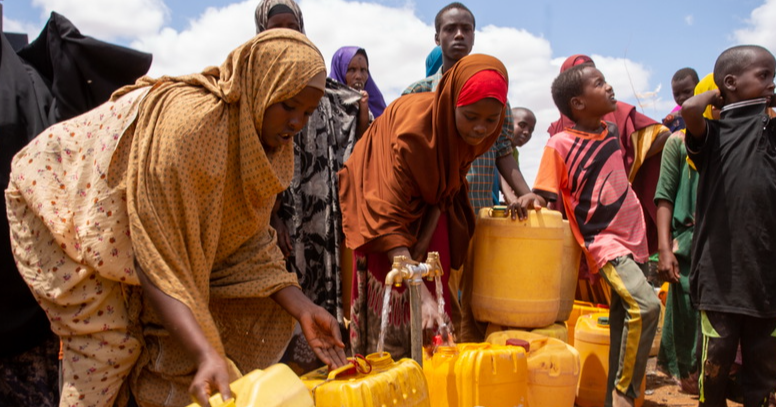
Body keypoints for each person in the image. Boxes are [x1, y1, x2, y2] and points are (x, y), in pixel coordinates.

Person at [6, 30, 347, 407]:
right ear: (260, 85)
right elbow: (155, 256)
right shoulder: (191, 126)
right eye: (288, 105)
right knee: (106, 349)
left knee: (186, 344)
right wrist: (206, 353)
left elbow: (249, 242)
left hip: (130, 239)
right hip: (60, 204)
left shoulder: (262, 144)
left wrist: (304, 308)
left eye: (308, 112)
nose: (297, 122)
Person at [340, 54, 510, 359]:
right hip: (380, 212)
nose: (480, 129)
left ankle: (429, 380)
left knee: (434, 286)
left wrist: (420, 260)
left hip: (428, 210)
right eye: (471, 117)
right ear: (451, 104)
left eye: (491, 120)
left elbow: (443, 194)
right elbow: (385, 209)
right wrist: (416, 286)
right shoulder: (414, 131)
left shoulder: (465, 137)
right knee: (392, 293)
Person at [402, 1, 542, 343]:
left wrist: (525, 191)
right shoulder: (419, 93)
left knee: (480, 304)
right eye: (450, 29)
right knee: (437, 300)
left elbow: (503, 151)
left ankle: (474, 381)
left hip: (479, 217)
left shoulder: (496, 97)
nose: (459, 35)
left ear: (475, 37)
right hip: (433, 220)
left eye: (466, 28)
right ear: (437, 36)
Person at [535, 63, 661, 407]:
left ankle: (611, 400)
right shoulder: (559, 144)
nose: (609, 88)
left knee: (623, 324)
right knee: (647, 307)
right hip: (604, 242)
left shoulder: (608, 132)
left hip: (634, 238)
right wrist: (529, 199)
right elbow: (544, 192)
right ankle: (625, 395)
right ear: (577, 103)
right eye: (599, 83)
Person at [255, 0, 368, 375]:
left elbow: (344, 106)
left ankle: (319, 372)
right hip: (277, 212)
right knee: (279, 284)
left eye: (293, 25)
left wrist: (359, 109)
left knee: (321, 281)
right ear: (261, 31)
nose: (286, 32)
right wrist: (275, 217)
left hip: (320, 208)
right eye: (276, 26)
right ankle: (280, 378)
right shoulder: (256, 85)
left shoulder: (317, 82)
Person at [682, 44, 776, 407]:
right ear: (732, 82)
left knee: (765, 368)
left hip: (765, 273)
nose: (771, 83)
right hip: (721, 274)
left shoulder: (771, 129)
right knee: (716, 361)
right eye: (764, 75)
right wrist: (718, 94)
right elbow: (690, 108)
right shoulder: (712, 135)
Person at [548, 54, 671, 256]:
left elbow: (662, 135)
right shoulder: (557, 132)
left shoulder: (616, 115)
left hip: (612, 217)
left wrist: (625, 165)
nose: (606, 87)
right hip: (573, 214)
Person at [654, 73, 713, 395]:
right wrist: (665, 248)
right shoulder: (677, 142)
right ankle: (689, 374)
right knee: (686, 312)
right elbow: (665, 195)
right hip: (687, 243)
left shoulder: (731, 140)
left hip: (722, 242)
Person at [330, 46, 387, 119]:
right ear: (339, 71)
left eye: (363, 70)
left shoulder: (376, 106)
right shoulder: (324, 104)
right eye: (352, 70)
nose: (359, 76)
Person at [498, 107, 536, 205]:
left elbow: (513, 180)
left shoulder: (514, 153)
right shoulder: (495, 145)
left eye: (531, 130)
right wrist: (509, 194)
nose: (527, 132)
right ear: (507, 123)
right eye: (522, 125)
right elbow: (498, 171)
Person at [662, 68, 700, 132]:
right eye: (676, 94)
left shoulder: (708, 108)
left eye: (687, 92)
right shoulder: (674, 116)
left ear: (698, 86)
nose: (681, 97)